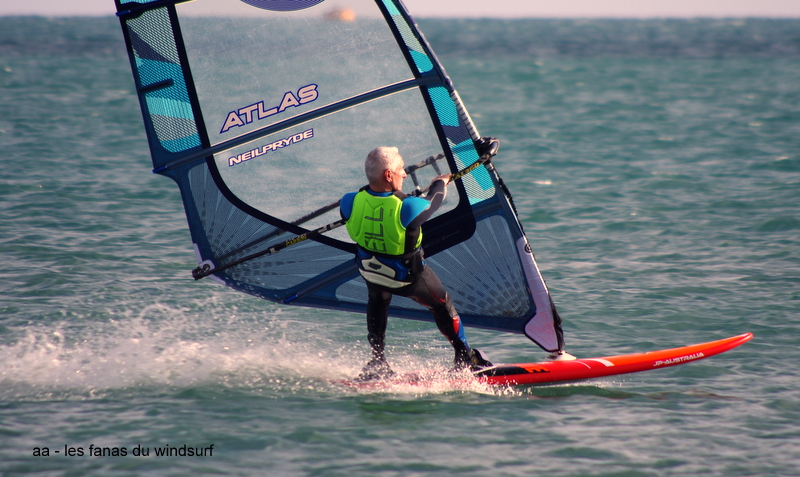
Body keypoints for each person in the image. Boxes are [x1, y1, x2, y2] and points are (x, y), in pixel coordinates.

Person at [340, 146, 492, 381]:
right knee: (442, 304)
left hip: (370, 271)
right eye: (401, 169)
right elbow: (435, 200)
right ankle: (465, 357)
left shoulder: (349, 201)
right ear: (388, 175)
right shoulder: (408, 207)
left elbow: (371, 202)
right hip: (406, 277)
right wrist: (440, 182)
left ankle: (377, 362)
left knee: (378, 301)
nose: (404, 174)